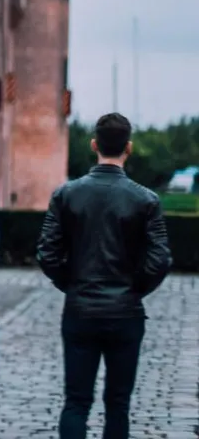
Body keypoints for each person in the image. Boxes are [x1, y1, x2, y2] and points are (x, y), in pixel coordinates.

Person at [37, 112, 173, 439]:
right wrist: (135, 288)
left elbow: (47, 253)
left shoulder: (65, 195)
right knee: (118, 403)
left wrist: (70, 283)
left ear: (94, 144)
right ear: (129, 147)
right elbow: (161, 257)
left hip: (81, 310)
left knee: (76, 402)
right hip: (125, 312)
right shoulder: (146, 200)